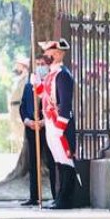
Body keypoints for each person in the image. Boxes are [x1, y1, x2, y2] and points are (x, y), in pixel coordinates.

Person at [36, 39, 79, 209]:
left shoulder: (63, 75)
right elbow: (44, 97)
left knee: (65, 161)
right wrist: (37, 83)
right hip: (50, 123)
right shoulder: (51, 74)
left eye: (50, 54)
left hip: (59, 124)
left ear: (59, 54)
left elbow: (65, 103)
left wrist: (61, 127)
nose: (46, 57)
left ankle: (66, 199)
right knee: (58, 162)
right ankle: (60, 196)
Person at [19, 58, 55, 206]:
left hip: (47, 129)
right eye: (38, 64)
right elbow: (22, 107)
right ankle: (34, 196)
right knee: (34, 163)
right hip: (32, 129)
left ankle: (55, 195)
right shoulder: (29, 86)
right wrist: (28, 121)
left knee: (52, 163)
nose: (40, 67)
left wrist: (43, 121)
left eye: (43, 65)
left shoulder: (51, 84)